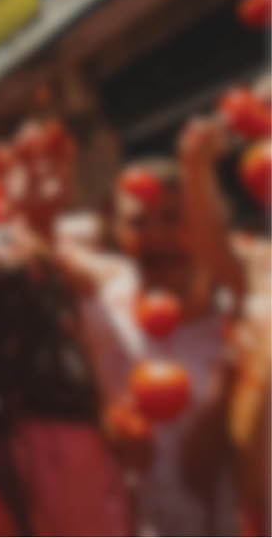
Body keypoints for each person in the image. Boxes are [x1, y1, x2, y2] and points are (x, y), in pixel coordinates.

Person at [60, 117, 245, 535]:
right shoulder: (106, 307)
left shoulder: (241, 319)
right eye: (139, 222)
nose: (157, 236)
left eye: (172, 218)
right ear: (119, 234)